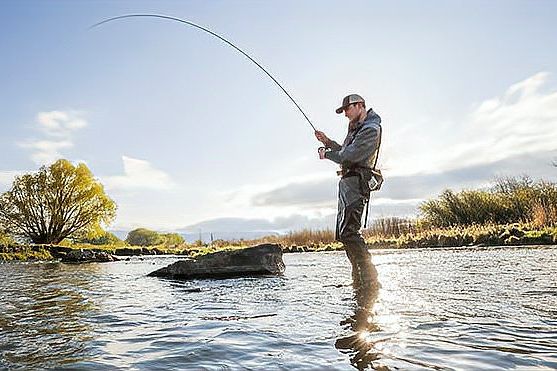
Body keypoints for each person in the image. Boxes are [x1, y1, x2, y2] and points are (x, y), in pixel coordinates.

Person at [315, 94, 381, 290]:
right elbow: (344, 150)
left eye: (347, 109)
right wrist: (327, 142)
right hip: (348, 185)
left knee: (350, 233)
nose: (345, 113)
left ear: (360, 105)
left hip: (356, 184)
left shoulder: (371, 129)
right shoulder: (357, 129)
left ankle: (370, 280)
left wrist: (327, 155)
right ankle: (359, 281)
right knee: (345, 234)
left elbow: (350, 155)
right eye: (343, 110)